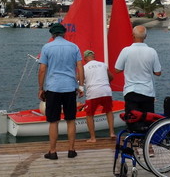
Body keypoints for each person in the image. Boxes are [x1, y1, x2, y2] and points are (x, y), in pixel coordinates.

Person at [38, 23, 84, 160]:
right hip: (70, 88)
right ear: (64, 33)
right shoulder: (74, 47)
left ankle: (52, 152)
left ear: (52, 35)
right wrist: (81, 86)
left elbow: (42, 70)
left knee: (53, 121)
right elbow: (80, 68)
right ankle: (71, 150)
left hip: (53, 88)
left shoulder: (47, 47)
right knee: (70, 120)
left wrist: (40, 88)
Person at [114, 25, 162, 120]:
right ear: (146, 36)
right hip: (147, 92)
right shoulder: (152, 51)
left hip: (131, 91)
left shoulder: (126, 51)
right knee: (148, 120)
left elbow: (117, 69)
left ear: (133, 35)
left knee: (133, 121)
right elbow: (158, 72)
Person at [82, 50, 115, 142]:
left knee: (89, 115)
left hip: (93, 92)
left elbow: (79, 79)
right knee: (108, 111)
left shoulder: (84, 67)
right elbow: (111, 77)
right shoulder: (103, 65)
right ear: (94, 56)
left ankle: (93, 138)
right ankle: (112, 133)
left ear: (85, 58)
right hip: (106, 91)